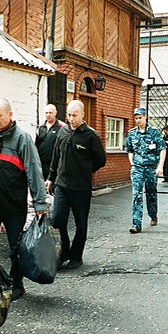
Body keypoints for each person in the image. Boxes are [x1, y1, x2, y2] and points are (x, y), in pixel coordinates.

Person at [0, 98, 47, 300]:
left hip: (14, 206)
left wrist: (40, 203)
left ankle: (17, 284)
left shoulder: (22, 138)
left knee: (15, 249)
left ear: (10, 115)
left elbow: (34, 171)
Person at [45, 100, 106, 270]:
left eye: (74, 115)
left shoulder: (91, 135)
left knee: (81, 224)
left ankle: (76, 256)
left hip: (81, 188)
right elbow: (56, 156)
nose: (71, 119)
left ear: (83, 115)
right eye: (69, 115)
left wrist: (86, 170)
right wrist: (51, 177)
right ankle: (64, 252)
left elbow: (101, 160)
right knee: (58, 219)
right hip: (62, 186)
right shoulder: (63, 131)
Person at [125, 108, 166, 234]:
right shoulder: (132, 133)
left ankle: (153, 215)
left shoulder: (154, 132)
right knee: (136, 194)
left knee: (151, 192)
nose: (138, 120)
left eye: (140, 118)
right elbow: (129, 150)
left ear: (145, 117)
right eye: (136, 118)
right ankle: (136, 224)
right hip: (137, 168)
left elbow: (163, 149)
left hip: (151, 167)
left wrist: (160, 166)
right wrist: (132, 163)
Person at [35, 104, 65, 181]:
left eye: (50, 113)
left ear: (55, 113)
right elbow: (36, 146)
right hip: (42, 165)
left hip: (55, 166)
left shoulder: (62, 127)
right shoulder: (41, 128)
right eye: (46, 113)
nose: (48, 115)